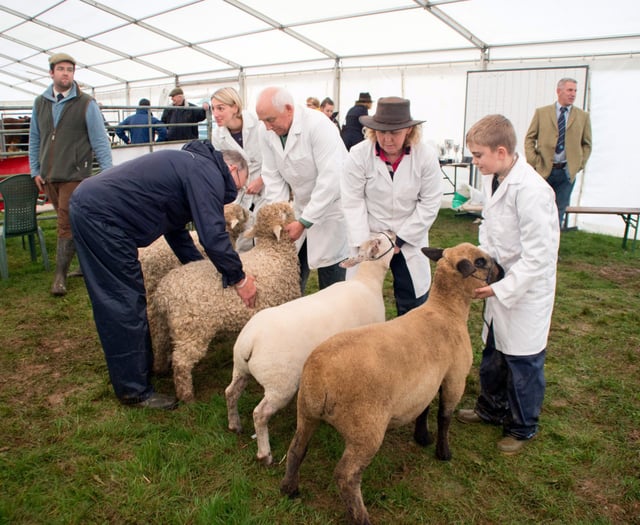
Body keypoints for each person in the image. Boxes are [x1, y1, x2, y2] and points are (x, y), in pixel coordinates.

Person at [69, 140, 257, 410]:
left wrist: (199, 268)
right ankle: (134, 390)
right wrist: (239, 279)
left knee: (127, 297)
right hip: (101, 216)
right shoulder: (206, 172)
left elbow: (176, 230)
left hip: (96, 207)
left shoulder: (191, 166)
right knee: (122, 299)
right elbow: (213, 235)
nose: (238, 190)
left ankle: (140, 370)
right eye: (241, 181)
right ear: (232, 168)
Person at [457, 114, 560, 455]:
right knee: (494, 353)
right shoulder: (496, 178)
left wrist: (502, 287)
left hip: (525, 290)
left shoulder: (532, 192)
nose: (475, 162)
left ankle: (522, 426)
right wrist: (486, 265)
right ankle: (490, 408)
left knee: (522, 361)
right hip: (499, 278)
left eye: (478, 155)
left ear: (501, 151)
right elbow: (490, 224)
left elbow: (539, 256)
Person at [342, 97, 442, 316]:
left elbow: (430, 201)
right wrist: (363, 243)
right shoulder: (359, 155)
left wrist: (402, 238)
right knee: (358, 299)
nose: (387, 139)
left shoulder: (425, 157)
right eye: (381, 132)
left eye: (394, 133)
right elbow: (352, 200)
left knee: (412, 300)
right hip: (371, 232)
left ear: (408, 130)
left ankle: (410, 344)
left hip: (408, 236)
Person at [28, 52, 113, 297]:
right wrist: (36, 168)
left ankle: (60, 277)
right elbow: (35, 137)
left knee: (65, 223)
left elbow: (100, 141)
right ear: (51, 73)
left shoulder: (86, 103)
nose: (66, 73)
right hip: (49, 174)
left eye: (70, 69)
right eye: (61, 69)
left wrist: (107, 176)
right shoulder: (40, 102)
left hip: (76, 173)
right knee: (74, 223)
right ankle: (89, 266)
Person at [256, 86, 348, 293]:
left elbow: (331, 177)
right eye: (263, 120)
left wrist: (306, 221)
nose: (267, 127)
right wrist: (281, 215)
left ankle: (334, 322)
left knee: (332, 278)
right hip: (298, 208)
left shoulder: (318, 125)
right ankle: (294, 318)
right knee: (292, 273)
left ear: (288, 109)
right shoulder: (266, 131)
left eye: (271, 120)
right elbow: (272, 175)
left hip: (332, 208)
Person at [524, 78, 592, 226]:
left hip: (566, 173)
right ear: (559, 91)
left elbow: (587, 144)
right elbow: (530, 138)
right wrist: (534, 161)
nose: (573, 94)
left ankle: (554, 246)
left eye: (575, 91)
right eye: (569, 90)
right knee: (538, 209)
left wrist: (578, 164)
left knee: (558, 211)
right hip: (544, 170)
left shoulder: (582, 116)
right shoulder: (542, 113)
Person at [209, 87, 265, 250]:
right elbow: (223, 167)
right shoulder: (218, 135)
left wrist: (261, 180)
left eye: (221, 108)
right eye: (213, 108)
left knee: (265, 236)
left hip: (266, 188)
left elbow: (273, 159)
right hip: (240, 192)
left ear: (235, 107)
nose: (215, 114)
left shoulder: (258, 125)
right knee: (242, 239)